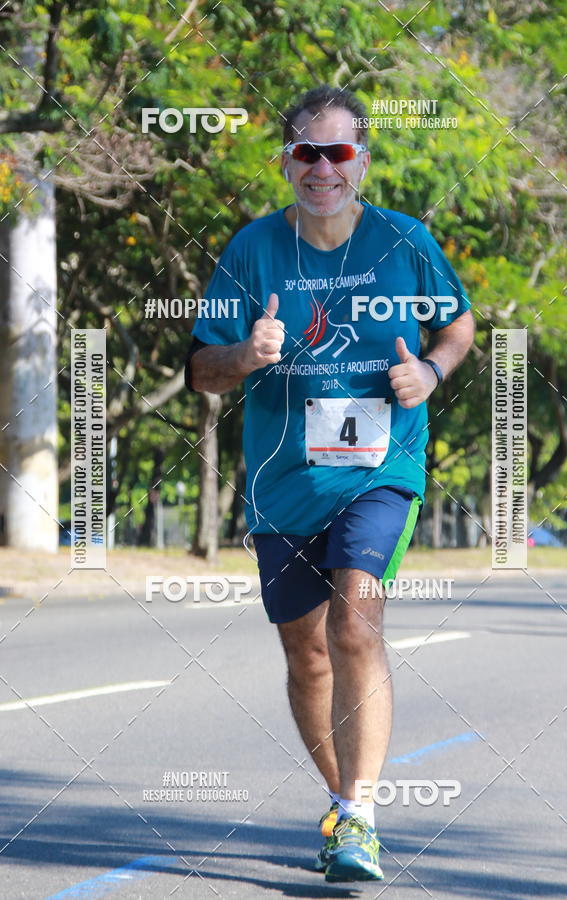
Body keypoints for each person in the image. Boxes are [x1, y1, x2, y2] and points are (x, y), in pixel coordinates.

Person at [186, 84, 474, 883]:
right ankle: (342, 802)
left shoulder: (405, 241)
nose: (322, 167)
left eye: (338, 152)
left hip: (383, 468)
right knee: (307, 657)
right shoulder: (250, 252)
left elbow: (457, 325)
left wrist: (432, 368)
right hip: (284, 484)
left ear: (363, 162)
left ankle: (360, 815)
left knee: (356, 624)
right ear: (286, 162)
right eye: (306, 152)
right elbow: (200, 370)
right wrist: (244, 356)